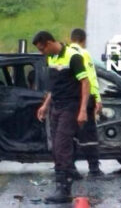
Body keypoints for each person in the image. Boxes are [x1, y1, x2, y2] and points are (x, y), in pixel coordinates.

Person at [33, 31, 90, 204]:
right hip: (56, 106)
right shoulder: (51, 58)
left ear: (50, 42)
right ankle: (64, 179)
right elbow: (54, 87)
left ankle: (64, 189)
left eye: (43, 49)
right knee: (55, 147)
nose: (42, 53)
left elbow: (85, 82)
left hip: (70, 107)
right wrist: (45, 105)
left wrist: (83, 110)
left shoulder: (73, 57)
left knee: (61, 146)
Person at [70, 28, 103, 177]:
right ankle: (94, 168)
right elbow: (90, 78)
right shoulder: (84, 54)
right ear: (83, 40)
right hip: (85, 100)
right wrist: (97, 98)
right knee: (89, 136)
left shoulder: (64, 53)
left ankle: (70, 167)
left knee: (70, 135)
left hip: (68, 101)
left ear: (72, 39)